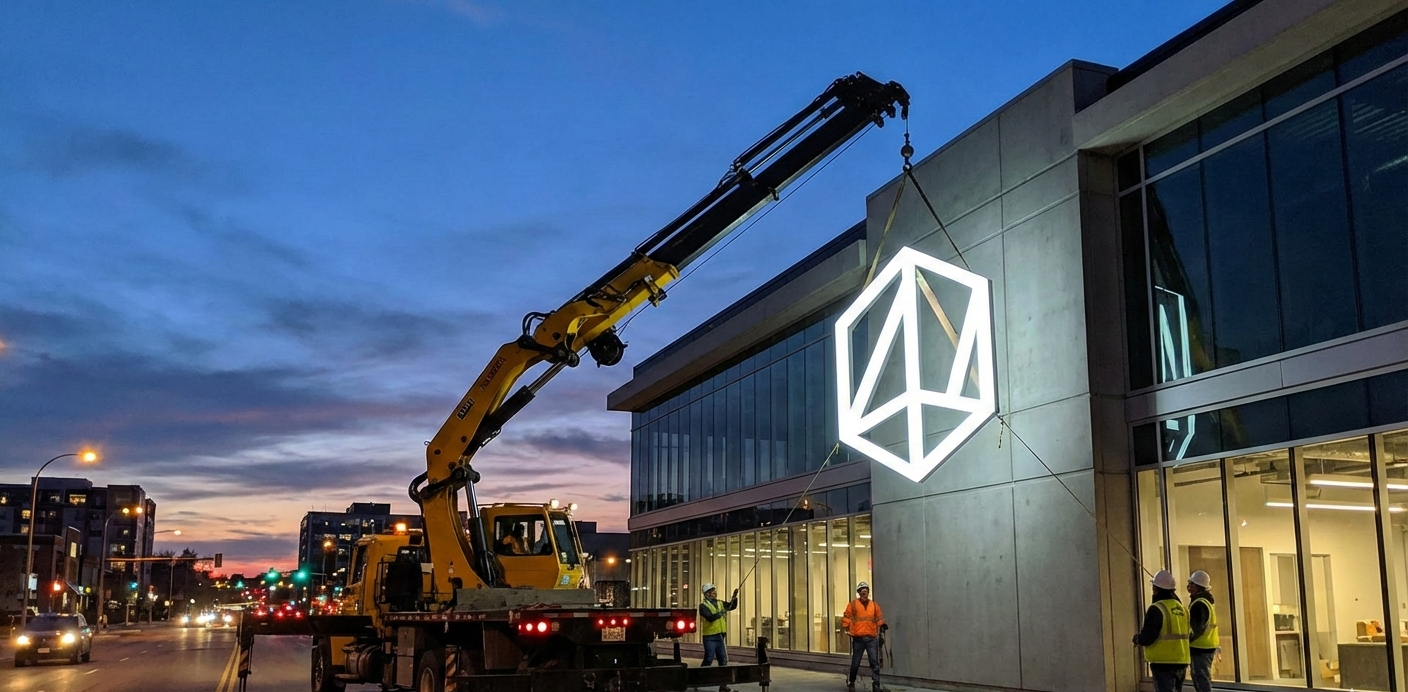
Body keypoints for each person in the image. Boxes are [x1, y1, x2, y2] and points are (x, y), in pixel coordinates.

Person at [1133, 569, 1190, 692]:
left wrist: (1138, 639)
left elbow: (1148, 637)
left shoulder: (1157, 609)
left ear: (1156, 589)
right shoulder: (1182, 609)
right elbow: (1190, 633)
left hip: (1163, 664)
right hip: (1181, 661)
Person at [841, 581, 886, 692]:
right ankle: (852, 682)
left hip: (871, 638)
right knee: (855, 663)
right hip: (858, 639)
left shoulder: (874, 606)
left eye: (865, 591)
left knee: (874, 663)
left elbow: (879, 618)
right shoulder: (853, 605)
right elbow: (847, 616)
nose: (864, 593)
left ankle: (876, 685)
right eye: (862, 591)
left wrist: (882, 625)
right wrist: (846, 627)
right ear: (859, 593)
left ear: (868, 593)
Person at [698, 582, 739, 682]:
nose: (714, 593)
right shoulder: (703, 606)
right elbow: (710, 617)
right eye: (712, 591)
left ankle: (723, 684)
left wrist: (734, 597)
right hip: (709, 637)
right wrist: (720, 613)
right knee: (708, 659)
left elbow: (731, 606)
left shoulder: (720, 603)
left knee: (723, 660)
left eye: (714, 590)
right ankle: (699, 679)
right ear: (707, 594)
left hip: (720, 636)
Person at [1187, 570, 1219, 692]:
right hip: (1206, 646)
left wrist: (1186, 640)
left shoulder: (1199, 604)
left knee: (1201, 680)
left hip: (1200, 648)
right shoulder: (1206, 601)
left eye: (1191, 583)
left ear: (1196, 586)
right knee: (1202, 678)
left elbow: (1196, 629)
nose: (1189, 586)